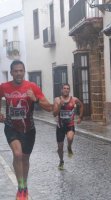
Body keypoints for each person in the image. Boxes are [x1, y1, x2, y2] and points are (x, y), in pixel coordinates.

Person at [0, 60, 52, 200]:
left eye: (21, 70)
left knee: (25, 158)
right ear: (11, 72)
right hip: (11, 127)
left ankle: (25, 185)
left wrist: (35, 99)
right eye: (15, 71)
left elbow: (48, 107)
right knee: (17, 154)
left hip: (29, 129)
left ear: (24, 72)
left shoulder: (32, 86)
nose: (18, 73)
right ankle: (21, 187)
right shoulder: (4, 87)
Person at [53, 83, 83, 170]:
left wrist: (80, 117)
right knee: (60, 147)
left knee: (70, 138)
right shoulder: (57, 100)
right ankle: (61, 161)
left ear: (69, 90)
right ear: (61, 90)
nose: (66, 90)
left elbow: (81, 106)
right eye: (64, 88)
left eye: (68, 88)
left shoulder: (74, 99)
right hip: (60, 127)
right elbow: (54, 113)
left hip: (70, 125)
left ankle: (69, 147)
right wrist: (59, 105)